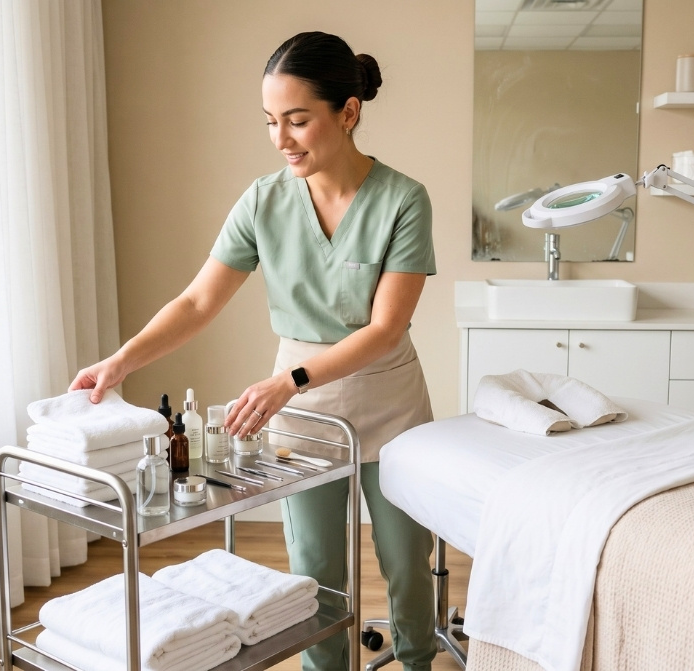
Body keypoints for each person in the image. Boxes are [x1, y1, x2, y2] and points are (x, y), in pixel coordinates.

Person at [69, 31, 438, 671]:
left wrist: (288, 381)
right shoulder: (264, 201)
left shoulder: (403, 200)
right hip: (302, 411)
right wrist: (120, 361)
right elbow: (196, 303)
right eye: (271, 122)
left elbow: (383, 329)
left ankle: (419, 659)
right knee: (316, 571)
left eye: (298, 120)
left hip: (386, 398)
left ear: (347, 112)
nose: (281, 138)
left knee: (407, 559)